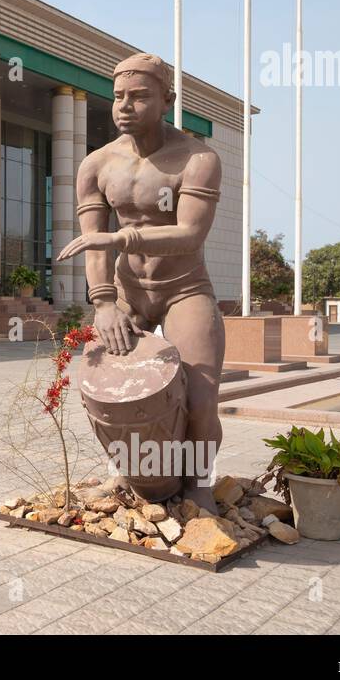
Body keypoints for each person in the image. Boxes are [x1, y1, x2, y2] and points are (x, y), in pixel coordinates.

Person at [56, 53, 226, 512]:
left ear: (167, 100)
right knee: (110, 395)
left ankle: (199, 486)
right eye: (118, 97)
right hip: (127, 293)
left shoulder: (198, 158)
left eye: (139, 96)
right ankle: (127, 476)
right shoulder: (96, 165)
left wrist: (121, 235)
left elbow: (191, 233)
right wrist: (103, 302)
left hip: (184, 288)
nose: (124, 106)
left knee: (200, 398)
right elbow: (94, 244)